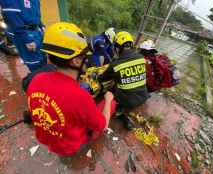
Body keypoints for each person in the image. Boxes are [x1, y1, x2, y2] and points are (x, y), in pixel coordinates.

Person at [22, 22, 116, 157]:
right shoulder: (80, 97)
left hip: (45, 138)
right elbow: (102, 126)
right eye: (85, 56)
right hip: (68, 148)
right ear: (76, 61)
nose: (87, 59)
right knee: (110, 104)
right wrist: (108, 100)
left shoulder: (36, 79)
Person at [99, 31, 149, 130]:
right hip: (143, 96)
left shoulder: (116, 64)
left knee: (109, 90)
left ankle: (119, 113)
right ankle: (125, 110)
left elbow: (103, 78)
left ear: (118, 48)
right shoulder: (141, 58)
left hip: (128, 101)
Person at [0, 0, 46, 72]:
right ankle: (38, 80)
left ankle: (45, 79)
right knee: (35, 63)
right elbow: (12, 17)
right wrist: (27, 39)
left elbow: (35, 13)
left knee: (43, 58)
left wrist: (41, 26)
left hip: (37, 31)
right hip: (25, 33)